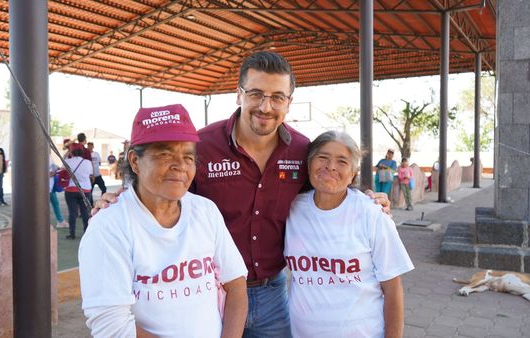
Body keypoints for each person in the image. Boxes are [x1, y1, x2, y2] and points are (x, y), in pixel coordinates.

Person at [94, 51, 391, 337]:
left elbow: (327, 188)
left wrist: (366, 197)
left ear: (289, 102)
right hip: (210, 292)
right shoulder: (202, 145)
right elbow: (166, 188)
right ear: (239, 94)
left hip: (273, 292)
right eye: (256, 94)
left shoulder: (302, 150)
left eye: (277, 97)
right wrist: (124, 196)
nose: (265, 107)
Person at [79, 104, 247, 337]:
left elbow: (236, 284)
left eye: (188, 156)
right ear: (135, 161)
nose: (180, 165)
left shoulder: (205, 211)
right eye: (165, 154)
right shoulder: (109, 226)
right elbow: (112, 326)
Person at [285, 131, 414, 337]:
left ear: (353, 172)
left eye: (342, 161)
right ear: (309, 164)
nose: (331, 166)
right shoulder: (291, 209)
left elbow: (392, 289)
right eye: (323, 157)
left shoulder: (372, 213)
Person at [63, 146, 93, 239]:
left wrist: (67, 153)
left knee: (72, 212)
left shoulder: (68, 161)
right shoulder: (87, 162)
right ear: (82, 153)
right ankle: (86, 233)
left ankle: (72, 234)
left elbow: (62, 166)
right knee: (85, 212)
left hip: (71, 189)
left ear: (71, 153)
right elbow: (91, 174)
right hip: (85, 190)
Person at [49, 158, 68, 228]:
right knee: (44, 206)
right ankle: (60, 221)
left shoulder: (49, 157)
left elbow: (54, 167)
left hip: (50, 187)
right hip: (43, 187)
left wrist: (58, 169)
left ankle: (61, 221)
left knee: (55, 203)